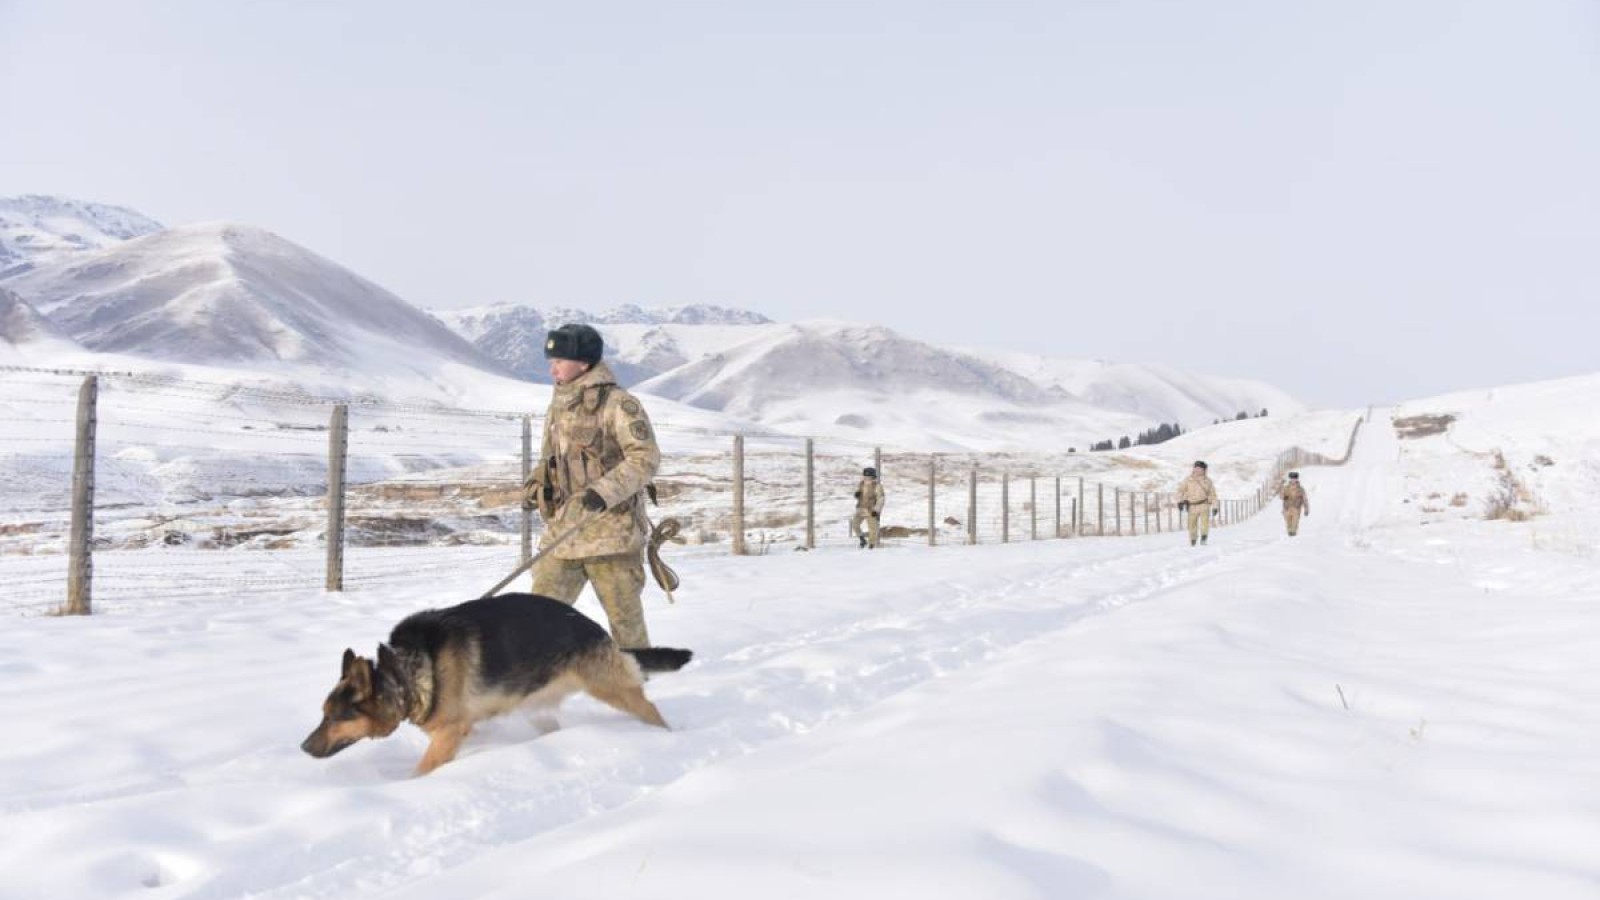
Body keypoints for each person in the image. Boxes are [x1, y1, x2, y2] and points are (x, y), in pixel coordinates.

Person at [522, 323, 661, 648]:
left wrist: (603, 492)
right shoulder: (558, 404)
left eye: (560, 359)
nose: (551, 366)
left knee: (626, 629)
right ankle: (529, 687)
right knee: (535, 620)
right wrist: (537, 484)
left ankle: (638, 687)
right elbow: (551, 458)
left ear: (583, 363)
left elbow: (645, 457)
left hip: (611, 538)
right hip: (564, 534)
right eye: (550, 358)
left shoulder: (619, 404)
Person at [1175, 460, 1219, 546]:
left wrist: (1215, 506)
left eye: (1200, 468)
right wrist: (1179, 501)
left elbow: (1213, 494)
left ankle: (1204, 538)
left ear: (1204, 470)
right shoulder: (1188, 480)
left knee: (1204, 523)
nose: (1197, 470)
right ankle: (1193, 540)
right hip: (1192, 505)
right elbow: (1180, 490)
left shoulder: (1208, 481)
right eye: (1196, 468)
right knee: (1192, 525)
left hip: (1204, 504)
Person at [850, 466, 885, 548]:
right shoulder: (861, 484)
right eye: (865, 476)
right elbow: (859, 493)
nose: (866, 478)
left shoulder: (877, 486)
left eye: (868, 477)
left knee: (872, 528)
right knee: (855, 525)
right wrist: (857, 494)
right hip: (860, 508)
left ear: (873, 477)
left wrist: (876, 510)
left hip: (871, 509)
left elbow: (881, 499)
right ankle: (862, 539)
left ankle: (871, 545)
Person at [1281, 471, 1310, 536]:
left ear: (1297, 479)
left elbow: (1305, 499)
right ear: (1290, 479)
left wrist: (1306, 509)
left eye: (1294, 479)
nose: (1293, 480)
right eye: (1291, 479)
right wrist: (1284, 496)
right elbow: (1281, 496)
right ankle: (1289, 533)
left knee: (1295, 523)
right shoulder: (1286, 488)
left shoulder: (1301, 489)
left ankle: (1293, 535)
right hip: (1287, 508)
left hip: (1296, 509)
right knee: (1288, 523)